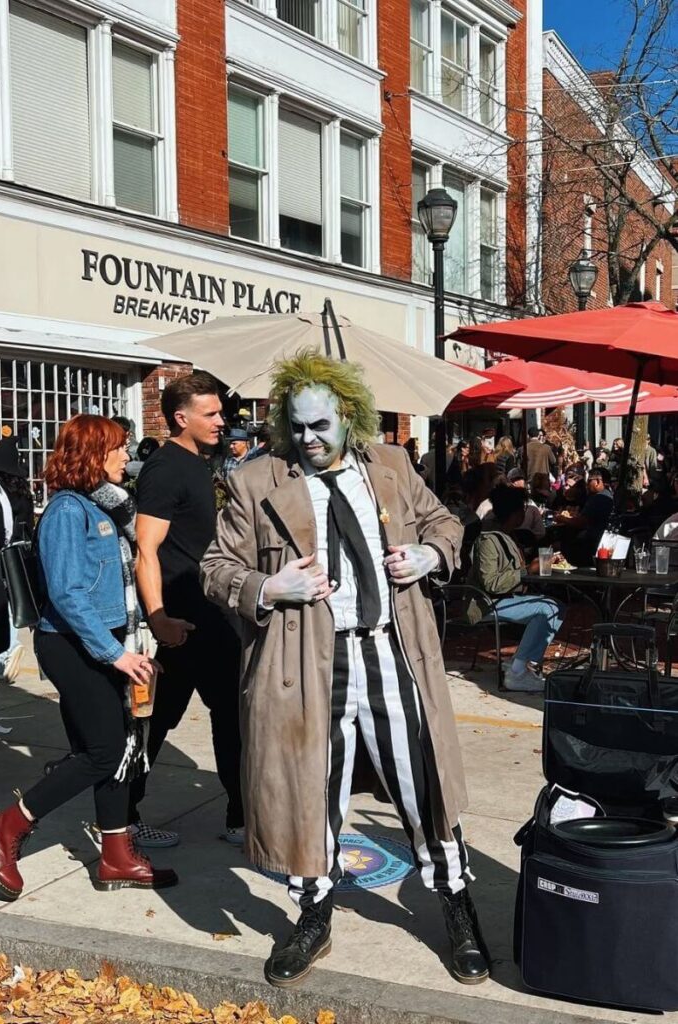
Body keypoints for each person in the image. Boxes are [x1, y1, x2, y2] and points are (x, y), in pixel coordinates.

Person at [200, 350, 489, 988]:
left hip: (391, 650)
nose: (308, 438)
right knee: (311, 791)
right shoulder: (256, 480)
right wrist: (267, 586)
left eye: (320, 425)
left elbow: (445, 522)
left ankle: (456, 903)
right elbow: (215, 569)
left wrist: (428, 553)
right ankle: (314, 913)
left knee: (424, 784)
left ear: (348, 416)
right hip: (305, 663)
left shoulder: (390, 465)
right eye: (297, 426)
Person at [0, 415, 177, 901]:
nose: (126, 456)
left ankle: (116, 855)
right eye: (118, 448)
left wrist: (131, 644)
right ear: (93, 452)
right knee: (103, 751)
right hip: (74, 646)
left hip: (105, 642)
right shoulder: (67, 512)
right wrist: (115, 655)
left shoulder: (109, 508)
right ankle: (6, 829)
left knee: (110, 751)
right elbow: (69, 594)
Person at [130, 373, 243, 847]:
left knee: (229, 716)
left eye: (220, 412)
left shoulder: (200, 462)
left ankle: (240, 816)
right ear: (182, 418)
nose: (222, 422)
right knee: (155, 720)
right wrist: (158, 618)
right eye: (211, 414)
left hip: (211, 614)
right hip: (183, 619)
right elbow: (146, 549)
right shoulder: (166, 468)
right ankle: (120, 817)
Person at [467, 484, 563, 693]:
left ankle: (521, 665)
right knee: (549, 608)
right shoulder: (488, 539)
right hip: (487, 603)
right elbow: (491, 582)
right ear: (515, 513)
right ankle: (518, 670)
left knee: (555, 607)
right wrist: (527, 571)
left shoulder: (509, 536)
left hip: (505, 599)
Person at [0, 437, 34, 683]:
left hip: (3, 551)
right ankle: (8, 648)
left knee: (1, 601)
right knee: (13, 598)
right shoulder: (23, 488)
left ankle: (6, 651)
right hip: (20, 549)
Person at [557, 466, 614, 566]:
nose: (587, 485)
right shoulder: (608, 495)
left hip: (589, 544)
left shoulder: (598, 498)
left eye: (589, 481)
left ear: (597, 481)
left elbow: (581, 523)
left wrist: (562, 518)